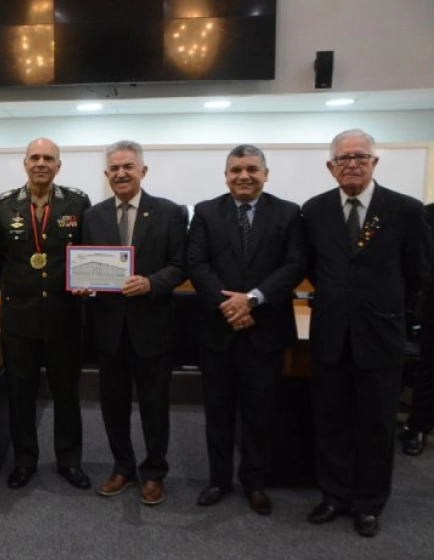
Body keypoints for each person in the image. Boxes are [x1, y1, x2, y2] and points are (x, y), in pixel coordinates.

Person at [303, 129, 433, 537]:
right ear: (330, 167)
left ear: (375, 162)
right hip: (330, 334)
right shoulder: (315, 210)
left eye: (360, 156)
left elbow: (419, 273)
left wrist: (384, 307)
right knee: (331, 419)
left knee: (376, 424)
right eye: (343, 159)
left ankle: (369, 503)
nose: (352, 164)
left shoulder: (407, 210)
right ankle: (334, 495)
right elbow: (311, 267)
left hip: (380, 335)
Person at [186, 145, 307, 515]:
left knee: (259, 412)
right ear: (226, 175)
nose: (244, 176)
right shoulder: (206, 212)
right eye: (236, 169)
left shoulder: (288, 213)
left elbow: (295, 264)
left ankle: (254, 481)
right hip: (218, 330)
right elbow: (197, 263)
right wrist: (231, 305)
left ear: (265, 174)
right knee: (218, 411)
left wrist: (252, 299)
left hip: (264, 329)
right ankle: (219, 480)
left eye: (252, 169)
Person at [80, 140, 186, 505]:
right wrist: (82, 285)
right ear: (106, 174)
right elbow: (86, 263)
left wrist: (151, 283)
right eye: (115, 168)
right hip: (109, 328)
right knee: (113, 404)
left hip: (152, 326)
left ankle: (154, 472)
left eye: (129, 166)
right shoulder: (93, 215)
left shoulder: (170, 213)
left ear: (143, 171)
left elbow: (179, 265)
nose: (121, 173)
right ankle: (122, 467)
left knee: (155, 406)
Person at [0, 138, 91, 490]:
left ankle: (69, 461)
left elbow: (88, 252)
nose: (41, 163)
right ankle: (24, 461)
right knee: (21, 394)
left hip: (65, 315)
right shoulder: (1, 206)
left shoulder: (78, 202)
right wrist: (17, 287)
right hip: (19, 318)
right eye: (35, 157)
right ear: (25, 163)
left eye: (49, 158)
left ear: (58, 165)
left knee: (66, 394)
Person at [400, 202, 434, 456]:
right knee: (429, 373)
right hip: (431, 308)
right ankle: (417, 427)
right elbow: (420, 265)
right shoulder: (427, 213)